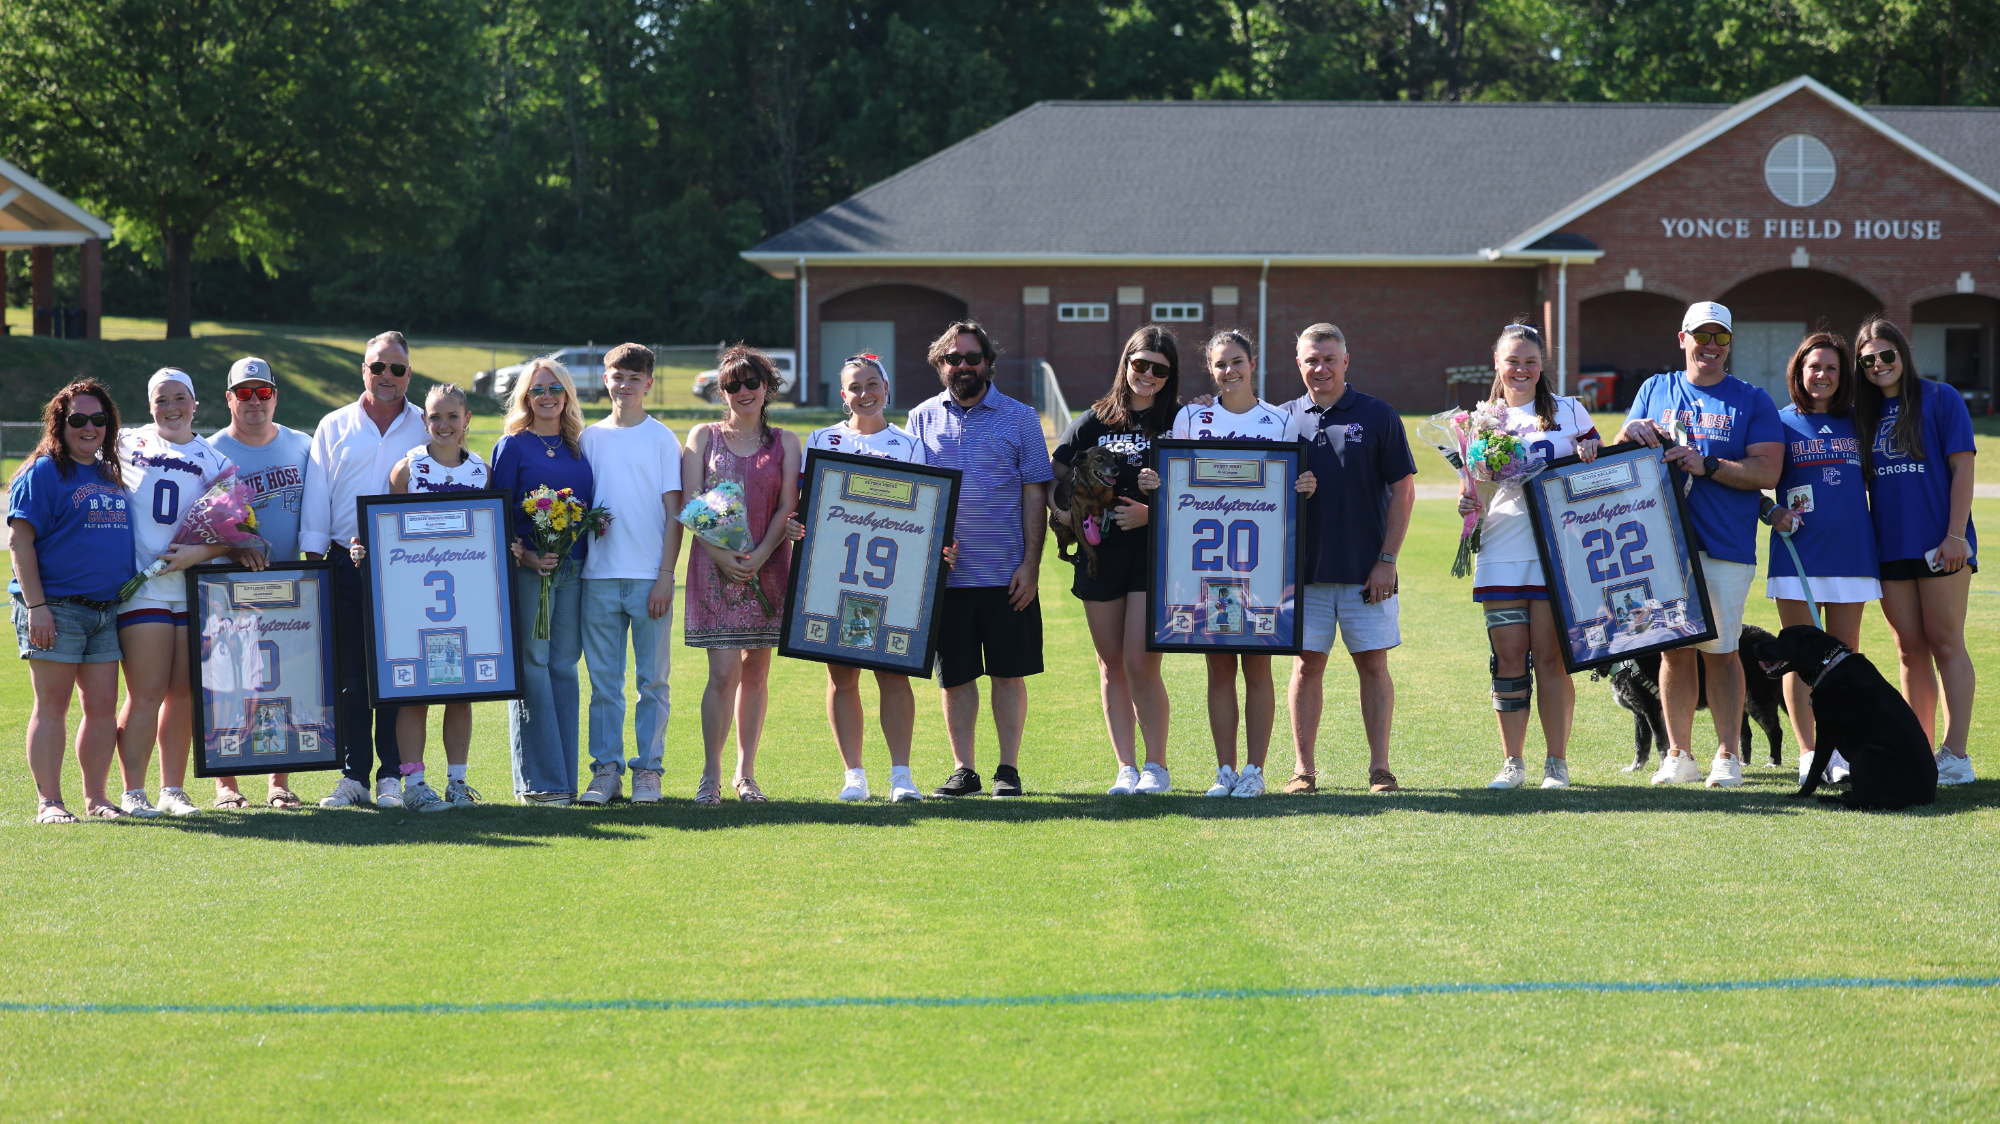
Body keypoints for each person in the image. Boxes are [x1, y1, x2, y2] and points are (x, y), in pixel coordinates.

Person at [1614, 301, 1783, 788]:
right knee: (1673, 651)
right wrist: (1630, 431)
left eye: (1720, 337)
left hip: (1724, 543)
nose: (1710, 345)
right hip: (1661, 546)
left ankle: (1727, 756)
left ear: (1729, 344)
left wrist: (1706, 464)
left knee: (1723, 651)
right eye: (1701, 335)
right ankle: (1679, 755)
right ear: (1682, 338)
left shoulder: (1751, 399)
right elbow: (1621, 451)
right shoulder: (1655, 389)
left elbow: (1767, 471)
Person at [907, 320, 1052, 798]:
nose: (963, 366)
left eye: (972, 357)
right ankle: (964, 769)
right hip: (946, 579)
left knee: (1009, 675)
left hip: (1007, 574)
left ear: (988, 362)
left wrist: (1030, 565)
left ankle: (1008, 769)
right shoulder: (920, 418)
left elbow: (1035, 494)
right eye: (954, 358)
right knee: (955, 679)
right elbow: (913, 494)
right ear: (940, 364)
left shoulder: (1021, 418)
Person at [1457, 324, 1600, 790]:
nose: (1521, 369)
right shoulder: (1479, 420)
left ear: (1542, 366)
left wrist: (1591, 449)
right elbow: (1474, 491)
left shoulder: (1570, 410)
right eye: (1512, 361)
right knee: (1508, 658)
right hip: (1501, 547)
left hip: (1556, 550)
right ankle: (1512, 763)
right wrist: (1467, 500)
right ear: (1497, 364)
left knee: (1551, 657)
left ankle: (1556, 763)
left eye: (1530, 361)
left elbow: (1600, 468)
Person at [1169, 329, 1308, 797]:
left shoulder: (1280, 421)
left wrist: (1305, 485)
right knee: (1219, 667)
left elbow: (1288, 488)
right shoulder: (1191, 417)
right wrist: (1156, 482)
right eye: (1220, 364)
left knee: (1258, 667)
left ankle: (1255, 771)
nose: (1229, 371)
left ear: (1253, 364)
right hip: (1207, 563)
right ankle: (1224, 770)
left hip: (1261, 565)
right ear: (1210, 370)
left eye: (1236, 362)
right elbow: (1177, 481)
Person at [1280, 324, 1414, 795]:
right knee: (1306, 668)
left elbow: (1403, 491)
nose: (1321, 368)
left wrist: (1387, 560)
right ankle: (1304, 770)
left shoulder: (1377, 414)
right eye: (1311, 360)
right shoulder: (1281, 419)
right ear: (1299, 363)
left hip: (1367, 573)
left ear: (1345, 361)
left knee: (1373, 667)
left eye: (1329, 359)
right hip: (1303, 574)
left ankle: (1380, 769)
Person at [302, 332, 428, 808]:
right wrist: (315, 562)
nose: (386, 376)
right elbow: (318, 495)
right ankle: (353, 776)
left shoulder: (426, 424)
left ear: (409, 374)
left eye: (396, 368)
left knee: (396, 675)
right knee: (351, 676)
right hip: (342, 563)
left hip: (406, 568)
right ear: (364, 370)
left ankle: (391, 776)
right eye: (378, 367)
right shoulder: (334, 424)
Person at [1852, 317, 1978, 784]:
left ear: (1902, 354)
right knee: (1909, 650)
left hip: (1942, 544)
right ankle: (1920, 752)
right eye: (1868, 361)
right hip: (1889, 547)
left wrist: (1956, 534)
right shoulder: (1862, 413)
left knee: (1946, 643)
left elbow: (1963, 469)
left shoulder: (1941, 398)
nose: (1878, 365)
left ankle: (1956, 755)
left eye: (1886, 355)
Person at [1055, 328, 1177, 797]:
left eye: (1159, 369)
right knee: (1110, 665)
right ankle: (1125, 768)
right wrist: (1066, 513)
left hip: (1153, 556)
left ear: (1170, 375)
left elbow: (1201, 489)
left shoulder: (1182, 419)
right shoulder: (1093, 421)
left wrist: (1151, 513)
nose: (1148, 375)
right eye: (1140, 364)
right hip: (1100, 556)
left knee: (1141, 664)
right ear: (1126, 363)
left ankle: (1156, 766)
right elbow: (1056, 474)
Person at [805, 354, 931, 802]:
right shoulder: (822, 439)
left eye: (872, 384)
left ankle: (902, 776)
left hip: (892, 580)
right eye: (855, 387)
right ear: (843, 395)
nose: (865, 393)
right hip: (836, 577)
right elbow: (809, 505)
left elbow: (925, 512)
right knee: (842, 677)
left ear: (887, 387)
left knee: (893, 675)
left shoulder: (910, 445)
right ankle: (854, 775)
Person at [114, 368, 238, 817]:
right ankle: (133, 791)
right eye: (161, 399)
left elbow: (231, 534)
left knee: (183, 693)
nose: (171, 407)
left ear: (195, 403)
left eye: (180, 397)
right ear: (149, 405)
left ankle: (173, 789)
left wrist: (196, 554)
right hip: (142, 588)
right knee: (145, 692)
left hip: (188, 588)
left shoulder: (216, 460)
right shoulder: (125, 442)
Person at [9, 380, 133, 821]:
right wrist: (37, 607)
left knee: (101, 709)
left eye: (98, 419)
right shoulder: (43, 471)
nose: (89, 427)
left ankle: (96, 799)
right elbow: (19, 542)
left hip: (105, 612)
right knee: (52, 706)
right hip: (56, 609)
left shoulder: (109, 473)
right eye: (77, 419)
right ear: (59, 424)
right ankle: (50, 802)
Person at [682, 346, 798, 805]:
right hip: (714, 570)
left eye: (752, 382)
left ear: (767, 387)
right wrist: (723, 556)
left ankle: (745, 775)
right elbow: (690, 503)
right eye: (733, 384)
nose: (743, 391)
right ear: (722, 391)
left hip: (768, 567)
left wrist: (761, 554)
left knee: (756, 673)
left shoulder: (786, 442)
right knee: (723, 673)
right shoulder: (703, 436)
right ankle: (710, 775)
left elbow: (788, 505)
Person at [1762, 332, 1875, 783]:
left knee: (1844, 657)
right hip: (1798, 556)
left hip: (1852, 553)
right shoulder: (1779, 421)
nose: (1822, 375)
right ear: (1799, 371)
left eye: (1831, 367)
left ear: (1843, 375)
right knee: (1798, 656)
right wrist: (1771, 511)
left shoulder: (1861, 419)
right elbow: (1752, 482)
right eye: (1814, 367)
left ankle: (1840, 752)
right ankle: (1810, 753)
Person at [208, 356, 314, 809]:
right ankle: (227, 785)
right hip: (228, 587)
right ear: (229, 398)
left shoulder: (303, 446)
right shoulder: (211, 451)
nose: (255, 401)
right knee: (230, 685)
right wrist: (232, 548)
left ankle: (278, 781)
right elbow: (198, 526)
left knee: (282, 681)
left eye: (263, 391)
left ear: (275, 395)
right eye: (244, 393)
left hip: (290, 584)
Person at [579, 344, 683, 806]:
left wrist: (665, 575)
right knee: (604, 685)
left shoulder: (662, 439)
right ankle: (606, 771)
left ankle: (649, 771)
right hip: (597, 578)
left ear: (649, 383)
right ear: (606, 379)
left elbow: (675, 513)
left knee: (652, 683)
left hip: (649, 579)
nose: (625, 385)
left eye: (634, 377)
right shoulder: (588, 438)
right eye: (617, 376)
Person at [381, 383, 490, 812]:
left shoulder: (481, 471)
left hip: (465, 600)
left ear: (466, 420)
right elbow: (388, 530)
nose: (444, 425)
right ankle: (414, 784)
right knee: (415, 693)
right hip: (414, 599)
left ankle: (457, 782)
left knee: (460, 691)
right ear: (424, 420)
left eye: (452, 416)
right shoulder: (407, 468)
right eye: (435, 417)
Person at [492, 357, 596, 805]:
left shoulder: (579, 446)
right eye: (538, 389)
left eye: (555, 388)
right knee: (533, 666)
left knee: (564, 667)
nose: (547, 396)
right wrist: (527, 554)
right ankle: (538, 783)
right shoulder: (512, 446)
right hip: (530, 571)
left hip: (573, 570)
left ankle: (565, 780)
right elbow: (497, 511)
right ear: (525, 397)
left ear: (567, 395)